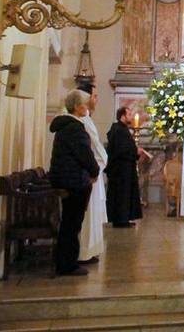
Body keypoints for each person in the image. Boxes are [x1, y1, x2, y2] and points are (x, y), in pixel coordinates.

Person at [48, 90, 100, 276]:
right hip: (73, 181)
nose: (87, 108)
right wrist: (95, 171)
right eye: (85, 105)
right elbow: (85, 155)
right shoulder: (74, 128)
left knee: (70, 223)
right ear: (78, 108)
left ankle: (65, 261)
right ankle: (67, 264)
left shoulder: (66, 126)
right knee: (72, 224)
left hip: (68, 179)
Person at [77, 86, 107, 263]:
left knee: (92, 214)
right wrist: (98, 166)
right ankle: (84, 252)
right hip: (89, 174)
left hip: (92, 172)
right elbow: (92, 149)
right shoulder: (83, 121)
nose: (96, 100)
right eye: (94, 96)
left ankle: (90, 250)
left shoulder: (86, 120)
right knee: (88, 215)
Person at [106, 106, 143, 227]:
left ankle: (124, 218)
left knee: (125, 194)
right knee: (122, 194)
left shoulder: (122, 129)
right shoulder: (118, 130)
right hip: (121, 170)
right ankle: (121, 220)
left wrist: (134, 151)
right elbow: (121, 150)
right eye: (129, 114)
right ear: (122, 116)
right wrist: (135, 152)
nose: (131, 117)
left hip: (125, 168)